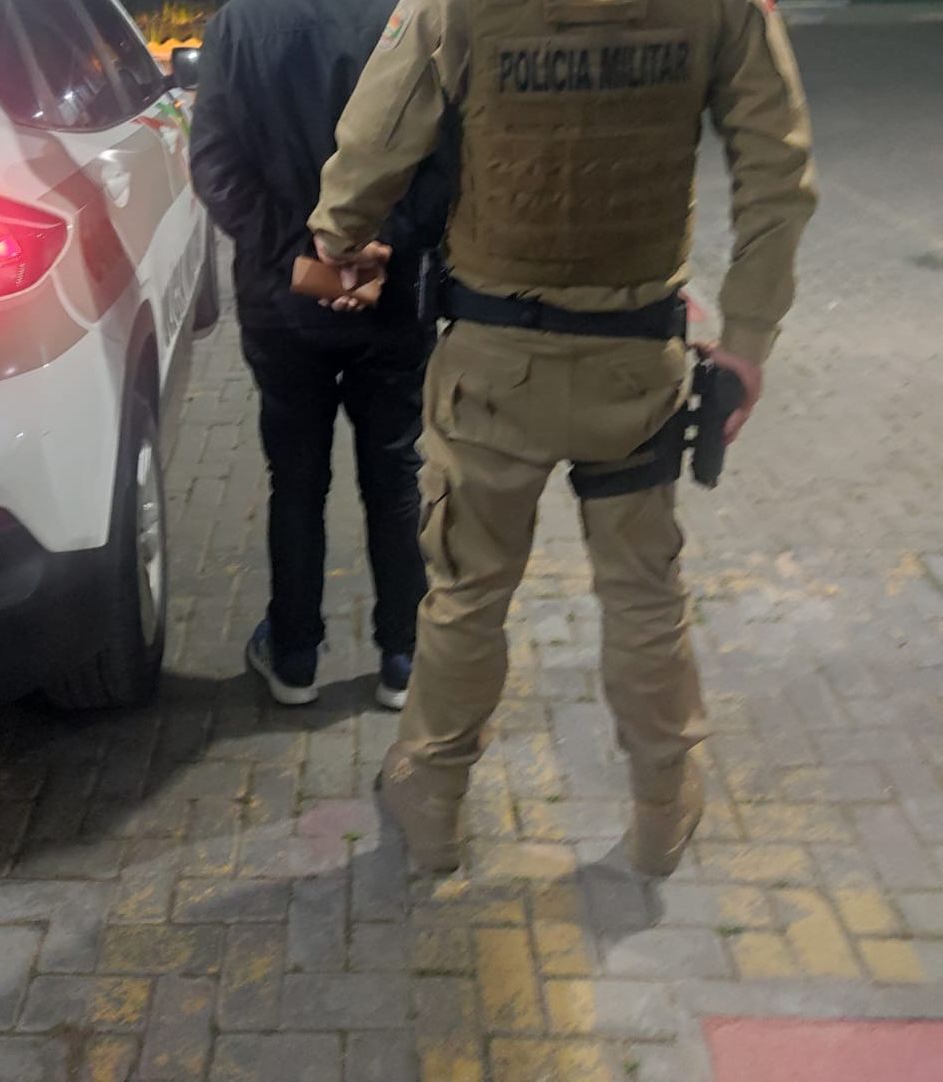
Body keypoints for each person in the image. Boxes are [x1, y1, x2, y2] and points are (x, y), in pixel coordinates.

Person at [310, 0, 817, 873]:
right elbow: (779, 173)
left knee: (468, 592)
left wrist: (337, 233)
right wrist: (746, 338)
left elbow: (378, 135)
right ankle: (662, 803)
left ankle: (433, 800)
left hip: (492, 370)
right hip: (635, 369)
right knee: (643, 592)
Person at [190, 0, 455, 710]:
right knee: (395, 473)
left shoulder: (239, 24)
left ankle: (295, 656)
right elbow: (446, 158)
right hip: (393, 294)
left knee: (297, 479)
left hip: (281, 302)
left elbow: (215, 166)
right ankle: (403, 655)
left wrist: (307, 259)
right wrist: (377, 248)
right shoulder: (417, 13)